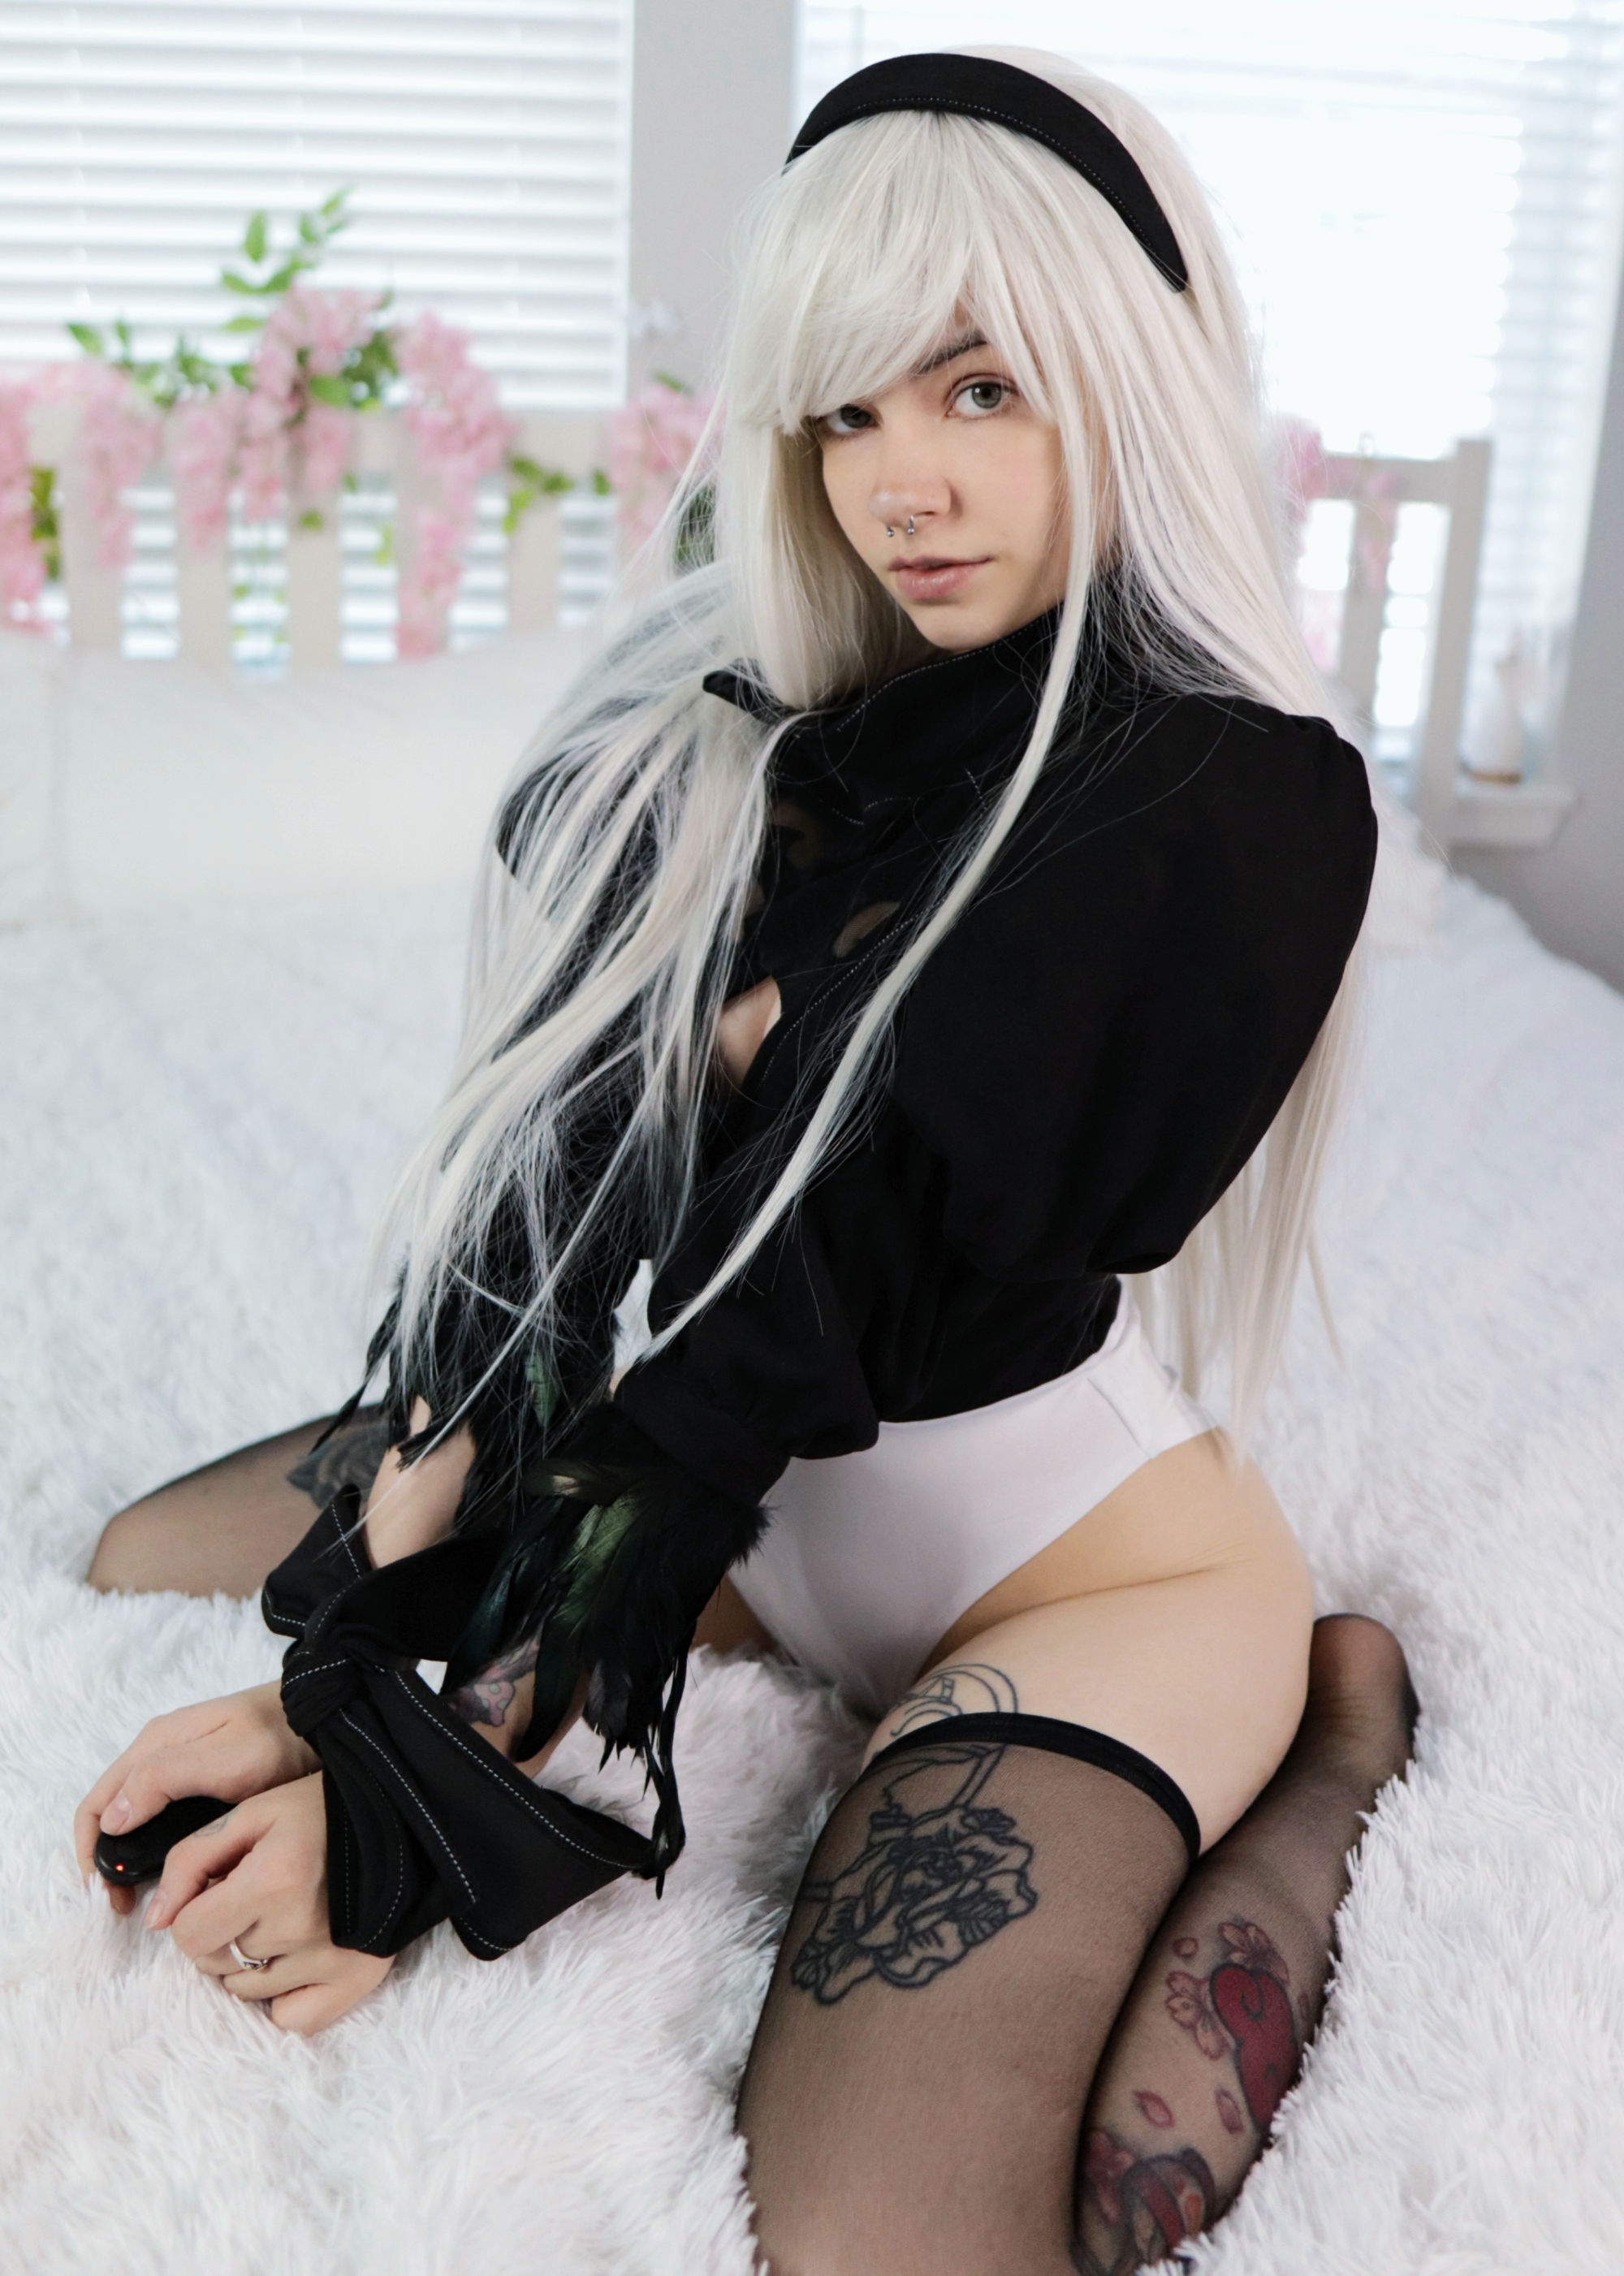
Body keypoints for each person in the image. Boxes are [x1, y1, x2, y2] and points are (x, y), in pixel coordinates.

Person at [75, 48, 1417, 2275]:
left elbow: (792, 1300)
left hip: (1077, 1583)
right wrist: (350, 1672)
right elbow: (539, 1242)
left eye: (981, 388)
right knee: (147, 1553)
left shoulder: (1224, 805)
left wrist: (417, 1805)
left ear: (1126, 376)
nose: (905, 480)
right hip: (767, 1520)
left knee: (885, 2226)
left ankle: (1328, 1755)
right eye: (844, 412)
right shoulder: (731, 752)